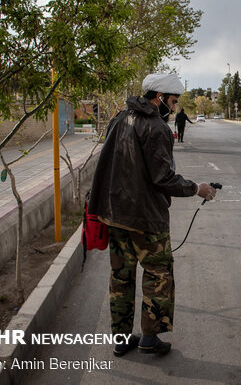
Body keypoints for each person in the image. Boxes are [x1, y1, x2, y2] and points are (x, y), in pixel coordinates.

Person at [87, 73, 217, 357]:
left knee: (120, 278)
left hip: (116, 215)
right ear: (159, 97)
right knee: (158, 275)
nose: (174, 106)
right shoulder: (156, 127)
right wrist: (197, 188)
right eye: (172, 101)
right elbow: (163, 178)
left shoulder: (120, 118)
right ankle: (149, 338)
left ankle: (121, 340)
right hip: (146, 220)